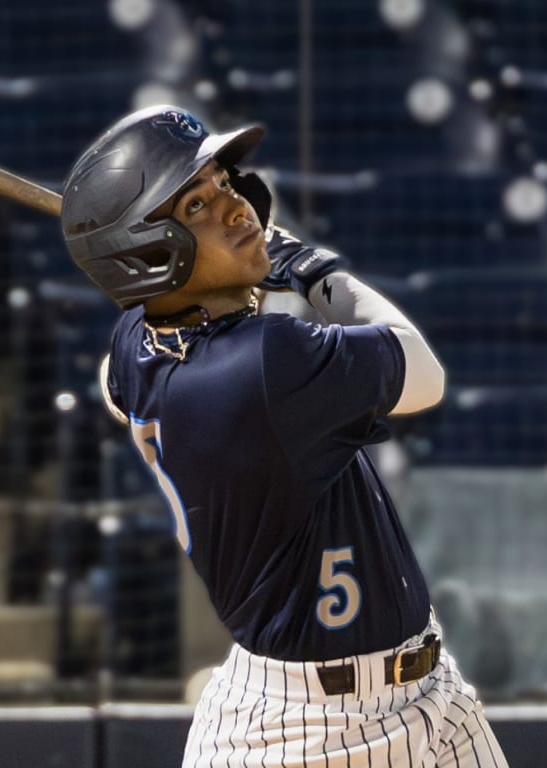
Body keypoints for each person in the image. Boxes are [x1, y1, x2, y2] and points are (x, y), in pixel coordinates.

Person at [61, 105, 508, 767]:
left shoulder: (137, 346)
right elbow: (424, 372)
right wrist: (316, 271)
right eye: (196, 206)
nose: (238, 207)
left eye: (223, 184)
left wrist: (190, 276)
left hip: (425, 695)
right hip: (311, 734)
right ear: (151, 254)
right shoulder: (265, 363)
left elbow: (117, 377)